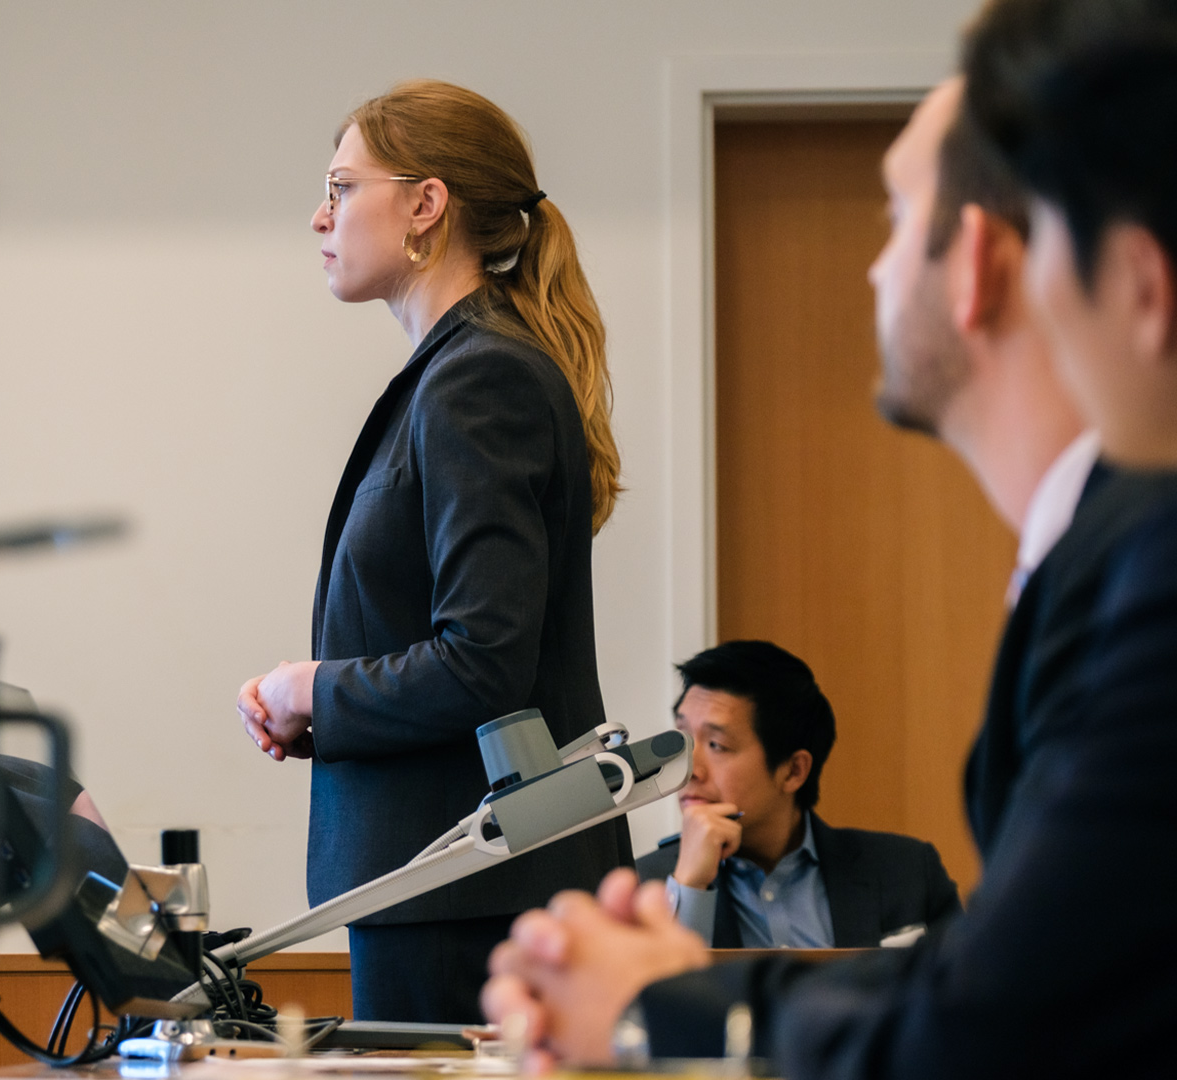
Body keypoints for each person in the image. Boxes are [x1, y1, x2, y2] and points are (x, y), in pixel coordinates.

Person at [478, 1, 1177, 1073]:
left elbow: (998, 1026)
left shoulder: (1150, 574)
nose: (874, 269)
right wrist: (675, 989)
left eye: (894, 218)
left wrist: (656, 1007)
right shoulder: (1100, 554)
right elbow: (1006, 972)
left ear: (977, 264)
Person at [233, 80, 627, 1022]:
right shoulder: (457, 372)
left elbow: (483, 663)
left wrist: (314, 687)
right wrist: (323, 711)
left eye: (342, 188)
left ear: (425, 204)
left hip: (471, 892)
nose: (320, 215)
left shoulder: (480, 379)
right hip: (443, 884)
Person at [637, 641, 960, 949]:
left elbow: (962, 983)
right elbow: (652, 988)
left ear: (793, 771)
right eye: (682, 741)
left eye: (716, 745)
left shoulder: (908, 872)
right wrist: (690, 887)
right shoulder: (639, 887)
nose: (689, 770)